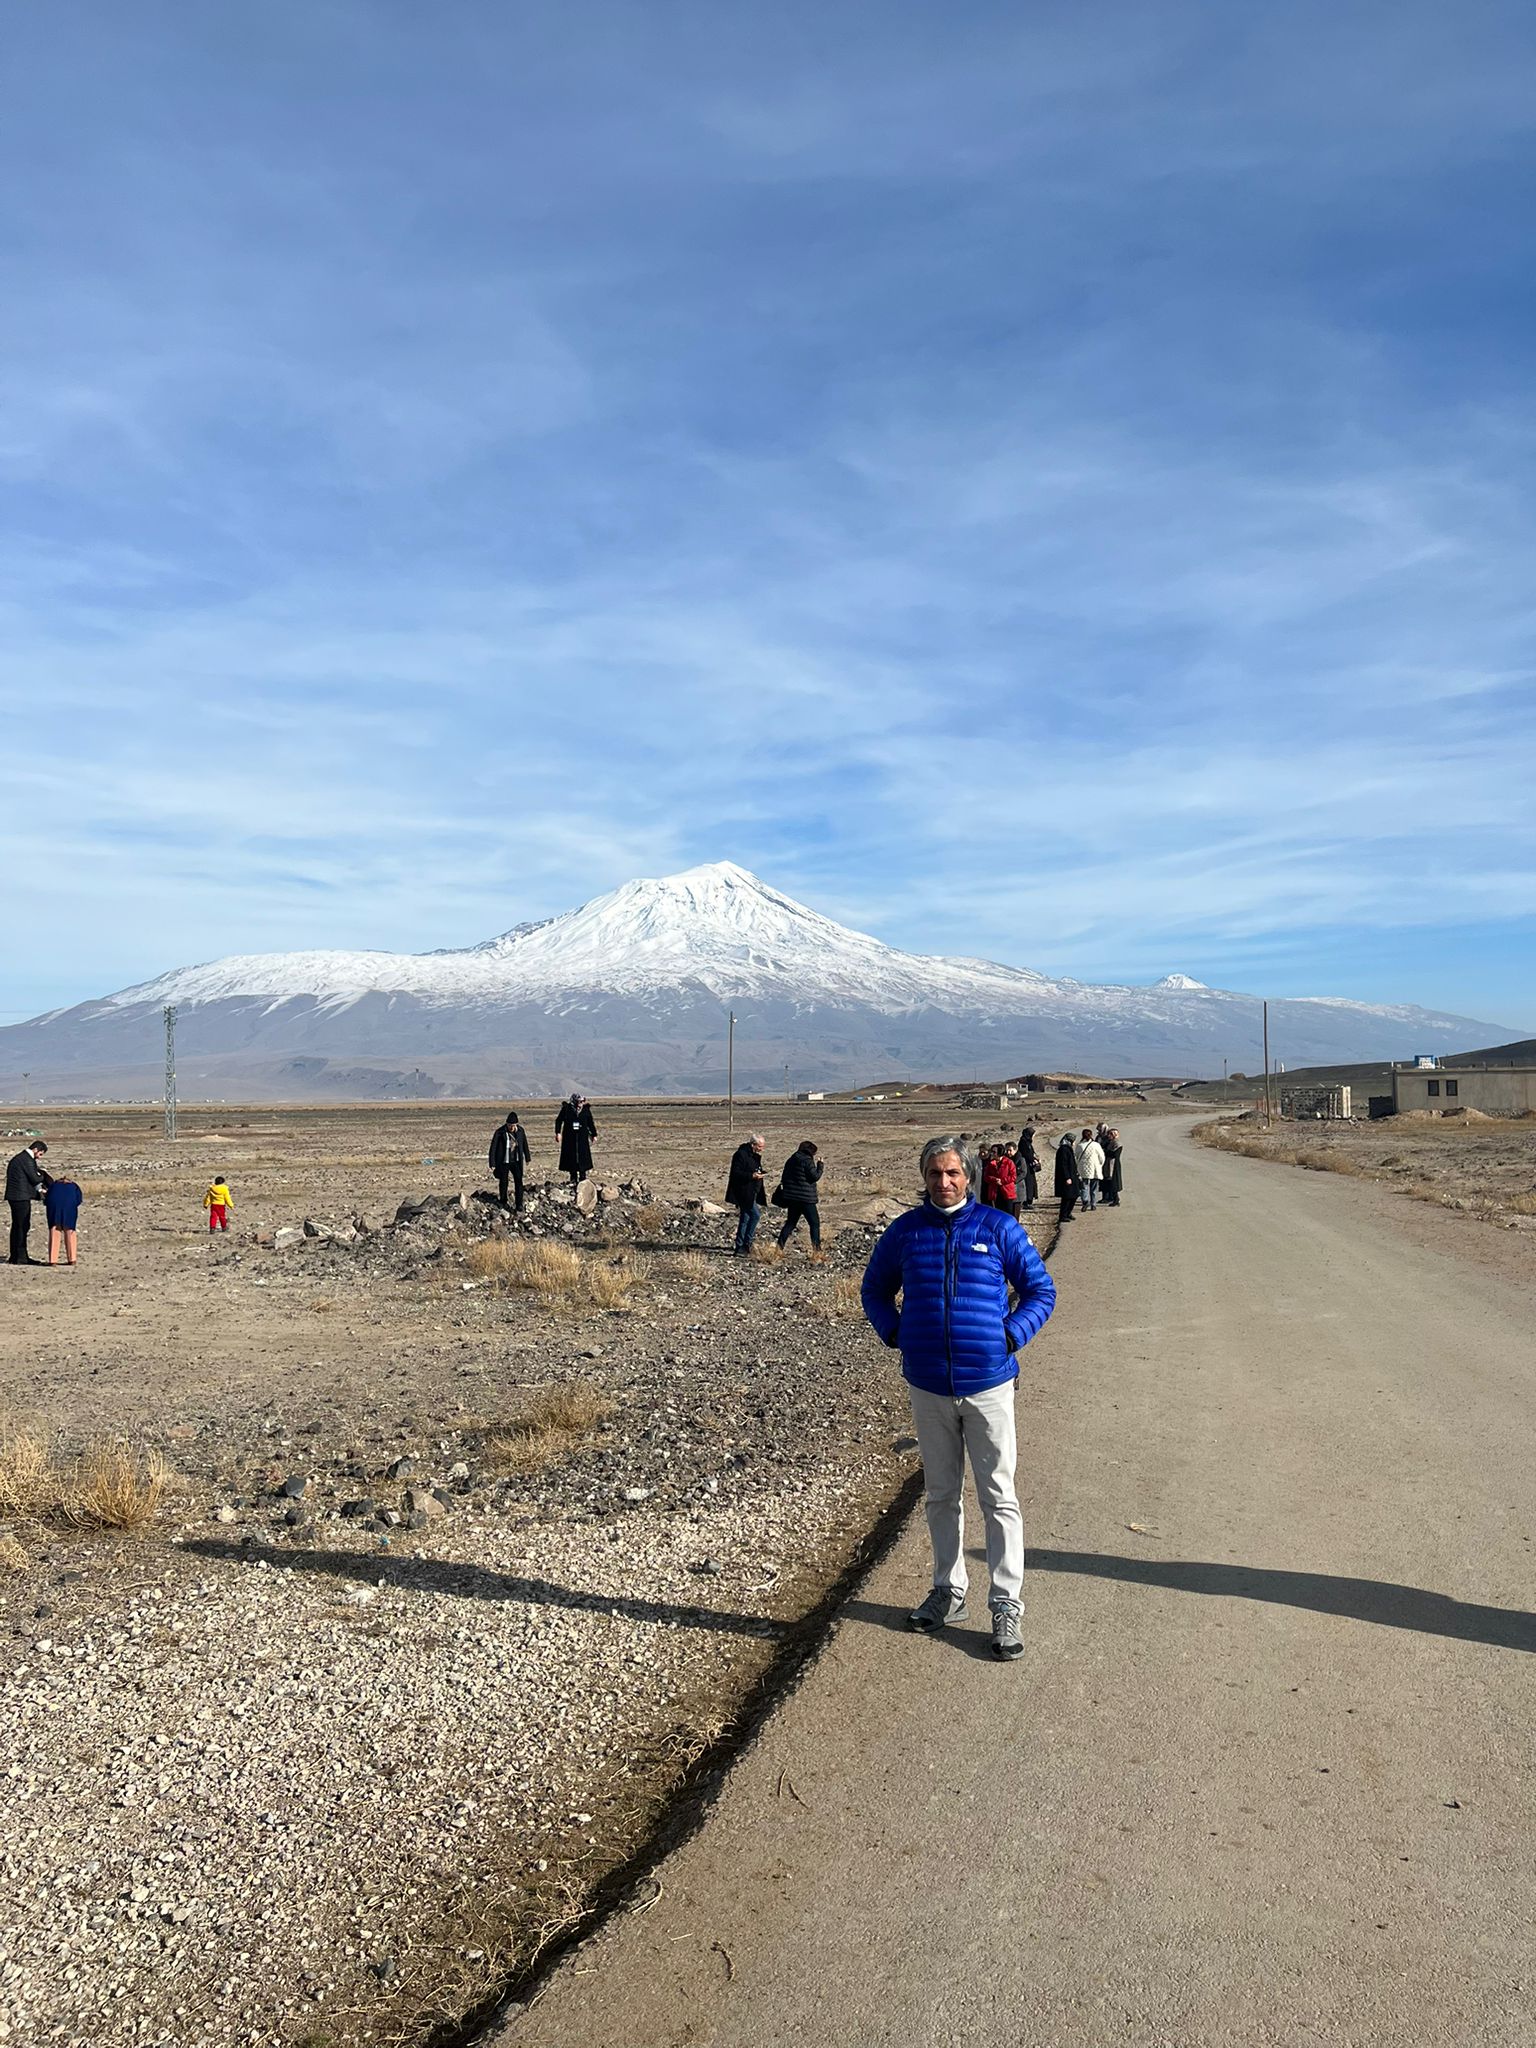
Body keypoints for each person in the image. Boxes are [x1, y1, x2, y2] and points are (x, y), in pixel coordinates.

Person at [861, 1134, 1056, 1662]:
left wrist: (1011, 1335)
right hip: (928, 1385)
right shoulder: (906, 1232)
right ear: (923, 1178)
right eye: (933, 1174)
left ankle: (1006, 1602)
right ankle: (948, 1591)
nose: (943, 1183)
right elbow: (874, 1289)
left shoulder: (998, 1228)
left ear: (969, 1175)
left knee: (998, 1496)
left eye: (952, 1174)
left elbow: (1042, 1290)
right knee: (941, 1494)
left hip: (988, 1385)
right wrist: (895, 1331)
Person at [6, 1139, 51, 1265]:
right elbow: (34, 1177)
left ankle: (15, 1256)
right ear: (36, 1149)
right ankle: (21, 1257)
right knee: (22, 1226)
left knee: (17, 1226)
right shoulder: (26, 1159)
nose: (39, 1157)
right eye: (40, 1154)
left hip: (15, 1196)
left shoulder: (20, 1158)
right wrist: (43, 1175)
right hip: (20, 1197)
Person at [776, 1139, 823, 1251]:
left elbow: (784, 1177)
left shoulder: (791, 1159)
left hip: (792, 1198)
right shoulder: (807, 1161)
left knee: (790, 1223)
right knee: (814, 1224)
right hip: (806, 1198)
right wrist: (820, 1165)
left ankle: (779, 1248)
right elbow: (815, 1176)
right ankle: (817, 1250)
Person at [725, 1132, 767, 1255]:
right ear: (753, 1145)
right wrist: (751, 1176)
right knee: (755, 1215)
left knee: (745, 1218)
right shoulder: (740, 1155)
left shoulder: (754, 1156)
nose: (762, 1149)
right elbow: (735, 1173)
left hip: (752, 1191)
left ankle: (740, 1246)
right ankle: (746, 1243)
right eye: (760, 1146)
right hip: (743, 1192)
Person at [489, 1110, 532, 1210]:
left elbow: (524, 1144)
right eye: (509, 1125)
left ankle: (519, 1204)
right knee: (503, 1181)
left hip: (516, 1160)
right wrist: (492, 1162)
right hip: (504, 1160)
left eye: (513, 1125)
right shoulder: (500, 1132)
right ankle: (503, 1201)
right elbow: (493, 1148)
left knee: (519, 1182)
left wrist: (527, 1157)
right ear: (506, 1124)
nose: (511, 1128)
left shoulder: (520, 1131)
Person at [555, 1092, 597, 1187]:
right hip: (570, 1138)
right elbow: (558, 1120)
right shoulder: (566, 1109)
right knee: (572, 1158)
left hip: (582, 1138)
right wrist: (558, 1133)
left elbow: (590, 1123)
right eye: (579, 1101)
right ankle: (573, 1179)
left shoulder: (586, 1110)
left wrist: (593, 1134)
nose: (581, 1103)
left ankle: (583, 1179)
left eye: (582, 1101)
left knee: (582, 1158)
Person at [46, 1173, 82, 1266]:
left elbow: (47, 1199)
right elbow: (79, 1199)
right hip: (69, 1209)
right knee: (70, 1232)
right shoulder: (74, 1186)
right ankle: (72, 1258)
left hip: (54, 1209)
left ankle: (52, 1260)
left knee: (54, 1231)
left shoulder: (54, 1186)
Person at [1076, 1127, 1105, 1213]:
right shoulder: (1096, 1145)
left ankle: (1085, 1201)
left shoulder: (1080, 1145)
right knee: (1094, 1187)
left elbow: (1076, 1157)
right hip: (1095, 1168)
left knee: (1084, 1186)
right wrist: (1099, 1165)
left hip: (1083, 1168)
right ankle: (1093, 1204)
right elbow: (1102, 1157)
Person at [1054, 1131, 1080, 1224]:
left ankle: (1068, 1213)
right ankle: (1063, 1215)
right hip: (1067, 1177)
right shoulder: (1063, 1150)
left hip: (1072, 1176)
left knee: (1074, 1195)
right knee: (1067, 1197)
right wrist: (1067, 1177)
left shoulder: (1068, 1149)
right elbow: (1063, 1165)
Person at [991, 1145, 1018, 1218]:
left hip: (1007, 1192)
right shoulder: (991, 1163)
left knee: (1008, 1214)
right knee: (998, 1214)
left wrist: (1002, 1181)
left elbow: (1013, 1176)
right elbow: (986, 1176)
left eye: (994, 1152)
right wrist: (994, 1180)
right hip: (996, 1192)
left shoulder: (1009, 1163)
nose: (992, 1154)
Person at [1018, 1127, 1041, 1210]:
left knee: (1031, 1183)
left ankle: (1029, 1200)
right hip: (1026, 1165)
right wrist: (1033, 1159)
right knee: (1028, 1183)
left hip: (1030, 1165)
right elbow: (1026, 1154)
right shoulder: (1023, 1142)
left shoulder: (1027, 1141)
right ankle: (1026, 1202)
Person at [1102, 1128, 1124, 1207]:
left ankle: (1116, 1199)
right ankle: (1113, 1198)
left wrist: (1105, 1151)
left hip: (1113, 1165)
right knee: (1109, 1182)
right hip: (1109, 1164)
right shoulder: (1110, 1142)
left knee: (1113, 1182)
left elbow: (1114, 1154)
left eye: (1110, 1134)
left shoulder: (1117, 1144)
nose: (1108, 1136)